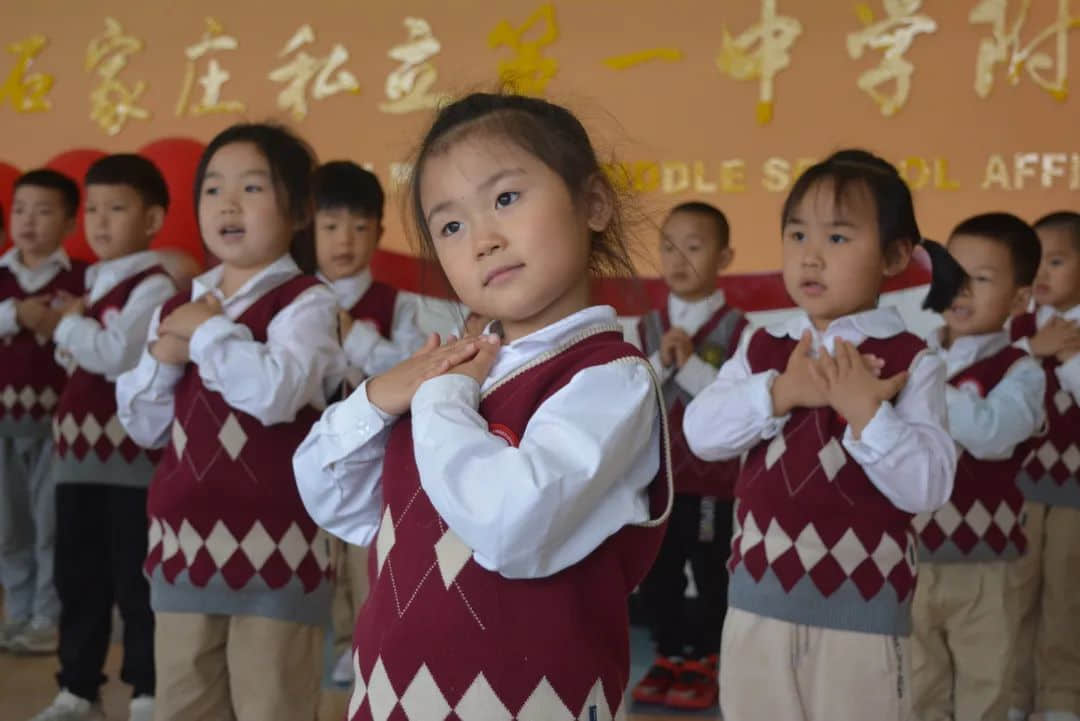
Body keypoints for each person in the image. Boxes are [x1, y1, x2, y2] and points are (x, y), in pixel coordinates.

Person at [293, 92, 672, 721]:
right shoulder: (459, 376)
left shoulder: (609, 378)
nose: (484, 240)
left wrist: (441, 394)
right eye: (450, 225)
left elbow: (509, 524)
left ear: (594, 203)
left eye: (505, 199)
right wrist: (379, 395)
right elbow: (330, 493)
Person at [683, 149, 959, 721]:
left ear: (894, 256)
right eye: (797, 234)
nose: (810, 255)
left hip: (864, 617)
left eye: (837, 238)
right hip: (756, 607)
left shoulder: (911, 360)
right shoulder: (764, 347)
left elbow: (928, 488)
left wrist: (867, 414)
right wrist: (780, 393)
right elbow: (701, 434)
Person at [116, 123, 345, 721]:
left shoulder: (307, 302)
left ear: (298, 211)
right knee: (183, 704)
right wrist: (168, 353)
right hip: (182, 541)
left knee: (272, 704)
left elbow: (275, 393)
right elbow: (141, 424)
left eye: (251, 187)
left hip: (279, 545)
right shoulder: (180, 307)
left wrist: (207, 332)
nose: (228, 203)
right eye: (213, 189)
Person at [33, 154, 177, 721]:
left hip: (129, 459)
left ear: (151, 218)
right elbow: (84, 353)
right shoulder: (93, 283)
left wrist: (67, 325)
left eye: (116, 208)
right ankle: (77, 688)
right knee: (78, 578)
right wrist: (79, 333)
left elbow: (114, 355)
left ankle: (146, 689)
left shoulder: (154, 283)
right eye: (92, 209)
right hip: (76, 456)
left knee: (135, 580)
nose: (99, 221)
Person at [909, 213, 1045, 721]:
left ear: (1019, 300)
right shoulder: (918, 353)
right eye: (952, 275)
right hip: (915, 554)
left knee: (986, 686)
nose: (961, 290)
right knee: (918, 684)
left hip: (988, 562)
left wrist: (923, 387)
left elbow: (993, 433)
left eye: (982, 279)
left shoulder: (1020, 369)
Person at [311, 160, 425, 684]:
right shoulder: (296, 303)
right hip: (309, 452)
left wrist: (355, 335)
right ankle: (333, 641)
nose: (345, 241)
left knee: (364, 555)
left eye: (359, 228)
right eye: (331, 227)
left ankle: (363, 645)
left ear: (379, 233)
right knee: (320, 556)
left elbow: (408, 371)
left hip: (372, 458)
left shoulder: (397, 305)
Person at [632, 201, 747, 710]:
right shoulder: (646, 327)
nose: (678, 258)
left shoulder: (742, 330)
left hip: (714, 482)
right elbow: (633, 396)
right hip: (659, 479)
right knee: (657, 570)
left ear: (725, 256)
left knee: (710, 570)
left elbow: (737, 403)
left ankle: (705, 657)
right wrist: (662, 359)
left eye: (694, 247)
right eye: (669, 246)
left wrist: (691, 364)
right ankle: (667, 654)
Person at [0, 170, 86, 655]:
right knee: (8, 526)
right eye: (20, 210)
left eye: (44, 210)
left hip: (58, 427)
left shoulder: (80, 278)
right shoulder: (2, 277)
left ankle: (46, 618)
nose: (29, 221)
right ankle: (15, 612)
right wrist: (16, 315)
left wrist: (59, 320)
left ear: (71, 222)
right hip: (2, 426)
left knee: (50, 525)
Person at [1008, 211, 1080, 721]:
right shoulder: (1015, 327)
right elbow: (987, 377)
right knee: (1015, 596)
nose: (1043, 274)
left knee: (1067, 601)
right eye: (1036, 262)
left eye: (1057, 261)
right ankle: (1013, 698)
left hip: (1076, 493)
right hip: (1018, 491)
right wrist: (1035, 349)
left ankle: (1061, 700)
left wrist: (1068, 356)